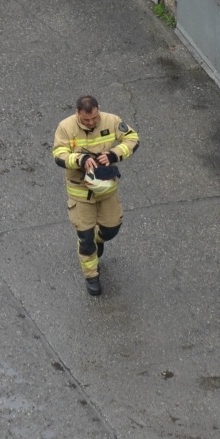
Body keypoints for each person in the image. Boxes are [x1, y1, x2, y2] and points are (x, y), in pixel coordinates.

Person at [51, 96, 139, 295]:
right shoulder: (65, 127)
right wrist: (79, 159)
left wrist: (113, 154)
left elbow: (132, 138)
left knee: (111, 230)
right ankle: (92, 275)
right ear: (78, 113)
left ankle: (99, 240)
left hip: (106, 189)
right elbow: (59, 154)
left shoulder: (112, 120)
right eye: (86, 120)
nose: (91, 123)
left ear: (98, 109)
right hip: (80, 193)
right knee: (86, 237)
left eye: (94, 118)